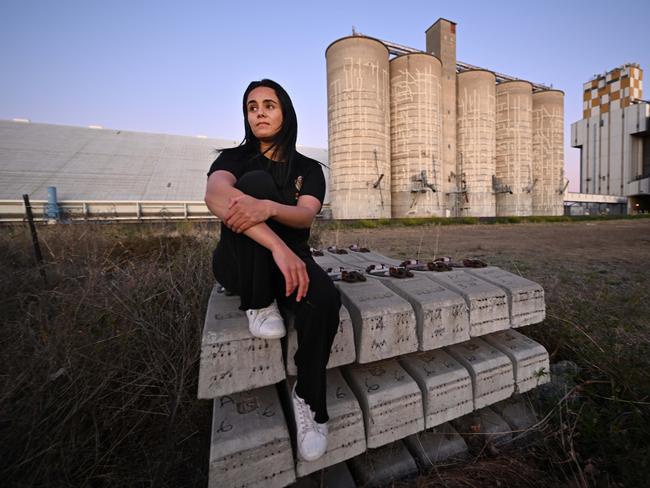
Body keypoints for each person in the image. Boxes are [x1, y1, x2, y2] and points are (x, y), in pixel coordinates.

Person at [204, 79, 341, 462]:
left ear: (285, 112)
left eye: (269, 105)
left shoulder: (309, 168)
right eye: (252, 107)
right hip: (239, 262)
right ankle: (258, 304)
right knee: (255, 182)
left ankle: (309, 399)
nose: (259, 112)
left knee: (326, 299)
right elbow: (216, 195)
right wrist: (277, 246)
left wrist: (270, 210)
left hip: (290, 257)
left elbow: (305, 214)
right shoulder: (233, 159)